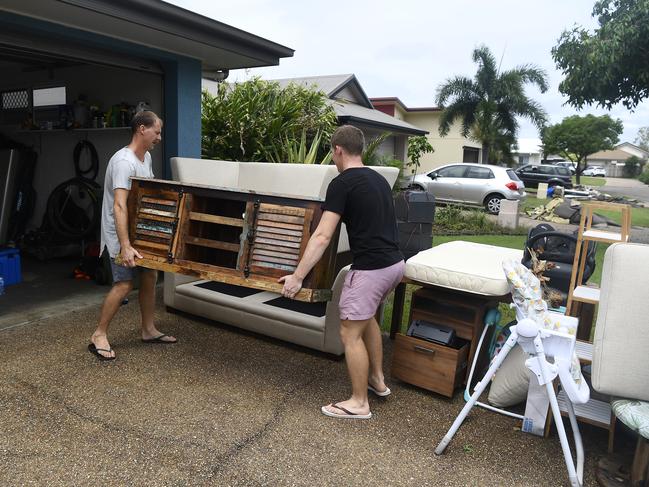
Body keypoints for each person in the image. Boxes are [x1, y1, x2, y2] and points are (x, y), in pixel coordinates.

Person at [279, 125, 405, 419]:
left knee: (349, 333)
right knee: (368, 319)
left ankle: (359, 403)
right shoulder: (378, 179)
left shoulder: (342, 184)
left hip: (372, 269)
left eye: (332, 153)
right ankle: (377, 380)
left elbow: (322, 236)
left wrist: (298, 277)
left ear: (338, 150)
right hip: (395, 265)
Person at [88, 110, 177, 361]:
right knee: (124, 283)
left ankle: (148, 330)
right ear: (141, 129)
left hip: (140, 231)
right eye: (157, 132)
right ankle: (99, 334)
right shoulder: (123, 162)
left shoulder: (145, 157)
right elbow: (119, 205)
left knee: (150, 275)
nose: (159, 137)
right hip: (121, 234)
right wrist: (125, 246)